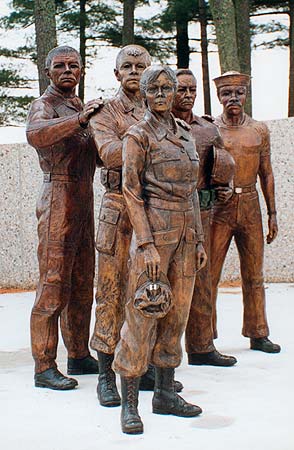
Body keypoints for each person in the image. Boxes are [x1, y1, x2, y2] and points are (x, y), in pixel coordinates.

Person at [113, 65, 207, 435]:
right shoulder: (137, 136)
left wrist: (198, 239)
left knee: (177, 316)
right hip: (155, 232)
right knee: (143, 313)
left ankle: (165, 394)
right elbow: (132, 192)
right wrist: (146, 244)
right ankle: (129, 403)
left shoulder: (185, 135)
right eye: (156, 88)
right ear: (146, 94)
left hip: (185, 234)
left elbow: (193, 194)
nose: (164, 94)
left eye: (170, 88)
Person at [89, 45, 182, 407]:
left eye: (139, 65)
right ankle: (105, 376)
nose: (132, 70)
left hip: (155, 209)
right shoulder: (106, 112)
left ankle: (143, 368)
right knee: (110, 292)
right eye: (126, 66)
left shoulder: (158, 107)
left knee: (148, 290)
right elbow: (108, 152)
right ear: (116, 74)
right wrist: (144, 143)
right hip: (119, 211)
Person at [27, 46, 102, 390]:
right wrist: (80, 119)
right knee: (54, 284)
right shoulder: (44, 105)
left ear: (82, 71)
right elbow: (36, 134)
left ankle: (78, 354)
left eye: (74, 65)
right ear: (48, 72)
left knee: (84, 282)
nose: (68, 70)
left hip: (84, 197)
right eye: (60, 66)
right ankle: (44, 365)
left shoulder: (78, 105)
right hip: (58, 196)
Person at [211, 71, 280, 353]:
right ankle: (204, 334)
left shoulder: (259, 130)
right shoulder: (211, 128)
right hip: (220, 207)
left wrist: (272, 212)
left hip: (250, 203)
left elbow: (267, 172)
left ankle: (258, 331)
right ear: (219, 96)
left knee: (254, 274)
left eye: (238, 93)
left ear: (246, 95)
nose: (233, 99)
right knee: (209, 273)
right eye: (227, 93)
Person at [172, 69, 237, 367]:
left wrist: (224, 188)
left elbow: (222, 166)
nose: (187, 95)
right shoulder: (158, 126)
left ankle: (201, 346)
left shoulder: (208, 129)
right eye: (181, 89)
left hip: (203, 212)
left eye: (192, 90)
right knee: (167, 280)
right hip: (168, 213)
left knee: (202, 279)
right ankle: (161, 354)